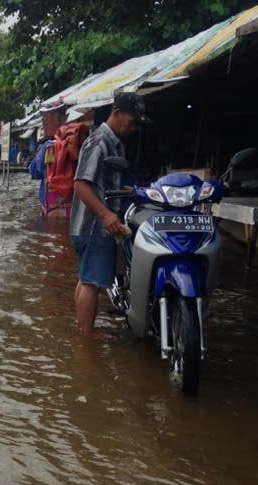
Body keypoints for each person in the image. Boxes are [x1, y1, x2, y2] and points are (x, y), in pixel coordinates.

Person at [71, 92, 150, 334]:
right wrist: (106, 215)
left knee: (86, 278)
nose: (133, 127)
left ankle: (81, 332)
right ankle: (85, 344)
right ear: (116, 113)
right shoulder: (100, 142)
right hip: (93, 226)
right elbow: (80, 184)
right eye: (132, 121)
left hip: (91, 226)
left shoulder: (113, 142)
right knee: (92, 283)